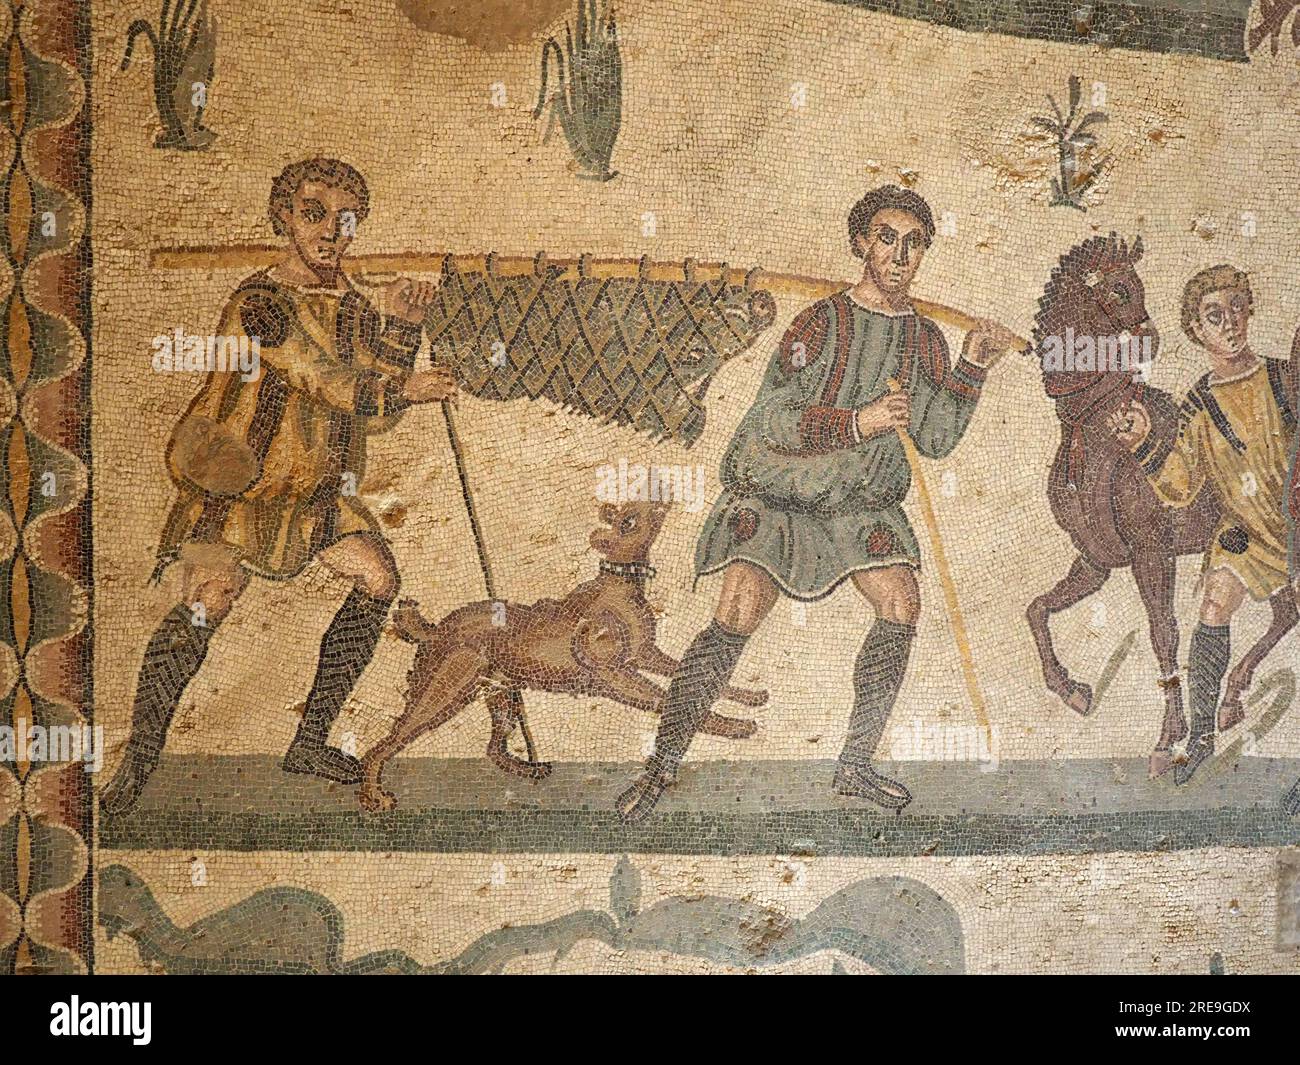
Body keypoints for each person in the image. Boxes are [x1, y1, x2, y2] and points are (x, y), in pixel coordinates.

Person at [615, 185, 1017, 824]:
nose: (900, 254)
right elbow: (773, 417)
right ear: (862, 244)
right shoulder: (819, 323)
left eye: (914, 244)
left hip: (859, 504)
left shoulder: (927, 339)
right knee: (739, 609)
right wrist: (857, 423)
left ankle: (855, 764)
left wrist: (971, 367)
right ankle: (661, 767)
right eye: (887, 238)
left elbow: (935, 440)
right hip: (786, 492)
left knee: (901, 601)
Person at [101, 157, 457, 815]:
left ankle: (309, 741)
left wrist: (403, 325)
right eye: (314, 212)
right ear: (284, 217)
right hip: (240, 488)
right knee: (209, 603)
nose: (329, 231)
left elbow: (372, 408)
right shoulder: (261, 303)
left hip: (313, 492)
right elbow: (319, 376)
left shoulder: (350, 303)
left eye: (344, 219)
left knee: (378, 577)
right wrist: (404, 382)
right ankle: (136, 763)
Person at [1111, 265, 1298, 784]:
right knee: (1214, 601)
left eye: (1237, 308)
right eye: (1214, 316)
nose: (1230, 323)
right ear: (1196, 330)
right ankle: (1198, 738)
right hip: (1246, 536)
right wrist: (1144, 444)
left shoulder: (1283, 377)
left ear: (1250, 310)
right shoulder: (1199, 402)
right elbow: (1179, 486)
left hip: (1294, 526)